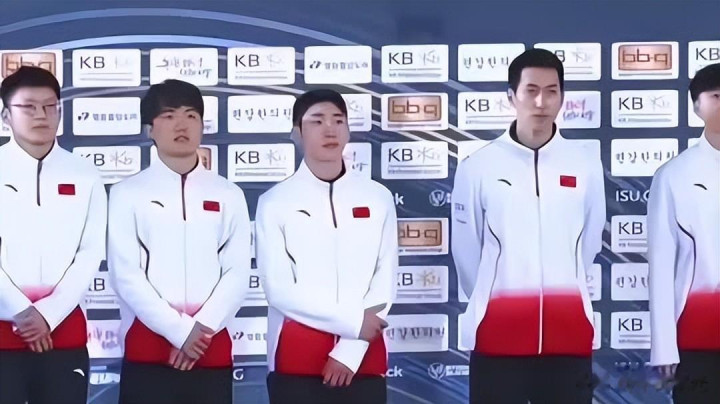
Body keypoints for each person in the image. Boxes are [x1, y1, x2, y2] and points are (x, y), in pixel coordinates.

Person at [451, 49, 605, 403]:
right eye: (531, 90)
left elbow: (589, 244)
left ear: (562, 97)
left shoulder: (585, 164)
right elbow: (467, 252)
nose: (541, 102)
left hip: (569, 337)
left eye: (551, 91)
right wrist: (495, 296)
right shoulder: (479, 166)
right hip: (497, 338)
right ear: (511, 96)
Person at [108, 79, 251, 404]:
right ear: (150, 129)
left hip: (210, 351)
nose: (182, 125)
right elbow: (126, 275)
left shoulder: (229, 194)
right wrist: (179, 332)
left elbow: (237, 274)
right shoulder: (126, 194)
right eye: (169, 115)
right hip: (148, 351)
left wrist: (199, 331)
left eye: (191, 115)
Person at [256, 89, 397, 404]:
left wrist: (350, 350)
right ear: (297, 132)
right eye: (317, 121)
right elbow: (278, 290)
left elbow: (384, 280)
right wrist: (353, 323)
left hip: (364, 360)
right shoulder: (274, 202)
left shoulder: (378, 197)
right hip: (295, 361)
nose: (330, 129)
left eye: (338, 120)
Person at [0, 66, 107, 404]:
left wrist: (47, 314)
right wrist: (20, 310)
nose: (41, 115)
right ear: (6, 115)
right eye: (28, 107)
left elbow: (90, 251)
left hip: (63, 334)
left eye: (50, 107)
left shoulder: (85, 174)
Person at [648, 63, 720, 404]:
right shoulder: (673, 175)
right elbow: (661, 266)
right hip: (696, 339)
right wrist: (664, 347)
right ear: (696, 107)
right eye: (715, 97)